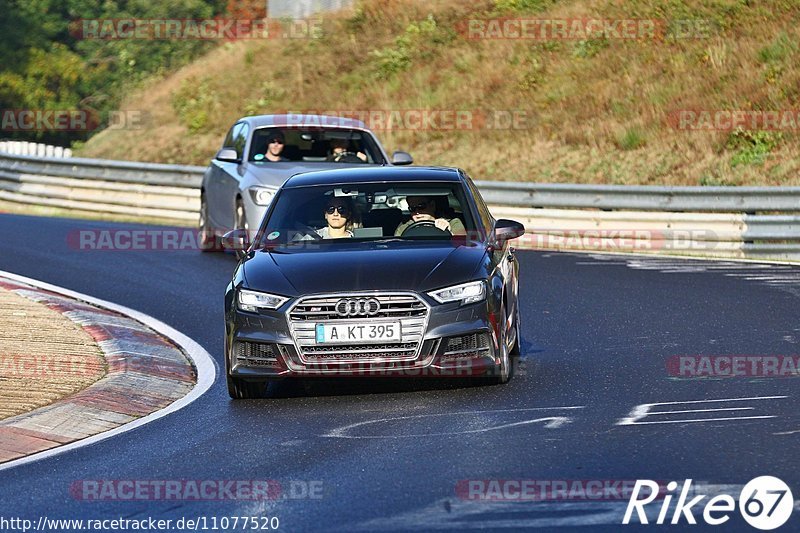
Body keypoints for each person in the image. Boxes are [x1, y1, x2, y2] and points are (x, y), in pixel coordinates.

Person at [395, 195, 465, 236]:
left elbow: (464, 248)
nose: (417, 212)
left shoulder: (453, 223)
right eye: (412, 209)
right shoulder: (403, 228)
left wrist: (450, 232)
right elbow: (396, 249)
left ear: (432, 205)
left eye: (421, 206)